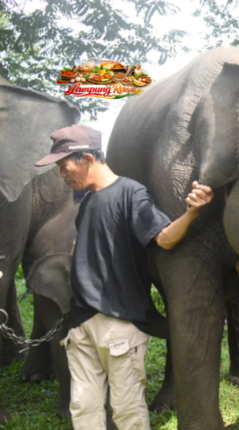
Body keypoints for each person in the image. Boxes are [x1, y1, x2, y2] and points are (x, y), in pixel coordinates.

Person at [34, 125, 214, 429]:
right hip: (82, 325)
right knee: (84, 407)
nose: (61, 175)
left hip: (118, 324)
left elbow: (165, 238)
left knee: (127, 409)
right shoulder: (88, 202)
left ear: (87, 159)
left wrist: (192, 213)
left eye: (63, 167)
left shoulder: (130, 193)